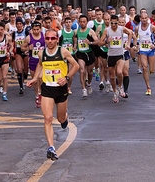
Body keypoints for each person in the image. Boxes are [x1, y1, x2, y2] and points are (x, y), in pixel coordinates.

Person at [26, 29, 79, 161]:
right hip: (47, 89)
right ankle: (51, 147)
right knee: (48, 118)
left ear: (57, 39)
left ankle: (65, 117)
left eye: (52, 39)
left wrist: (66, 77)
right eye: (48, 38)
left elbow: (76, 66)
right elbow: (40, 65)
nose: (50, 41)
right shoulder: (41, 53)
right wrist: (34, 79)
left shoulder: (63, 52)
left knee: (60, 118)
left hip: (61, 89)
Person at [100, 15, 133, 103]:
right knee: (112, 76)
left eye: (115, 23)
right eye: (112, 23)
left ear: (118, 22)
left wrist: (129, 44)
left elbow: (130, 33)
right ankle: (115, 92)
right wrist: (107, 41)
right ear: (110, 22)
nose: (114, 25)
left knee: (119, 72)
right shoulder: (107, 30)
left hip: (120, 54)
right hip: (111, 55)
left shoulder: (122, 29)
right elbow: (100, 42)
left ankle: (120, 87)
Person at [133, 12, 155, 96]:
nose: (144, 20)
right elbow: (135, 37)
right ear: (140, 19)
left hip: (151, 50)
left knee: (152, 70)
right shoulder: (137, 28)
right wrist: (135, 45)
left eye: (145, 18)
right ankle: (148, 87)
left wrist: (154, 44)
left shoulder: (152, 27)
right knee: (144, 67)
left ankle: (150, 70)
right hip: (142, 50)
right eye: (142, 18)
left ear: (147, 18)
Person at [74, 15, 100, 98]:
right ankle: (83, 89)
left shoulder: (90, 31)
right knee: (82, 70)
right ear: (79, 22)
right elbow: (75, 39)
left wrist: (90, 43)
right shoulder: (76, 31)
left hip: (89, 53)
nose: (82, 23)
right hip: (80, 53)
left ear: (86, 22)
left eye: (84, 22)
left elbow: (97, 41)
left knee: (90, 72)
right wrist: (75, 46)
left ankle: (89, 84)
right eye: (81, 22)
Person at [21, 21, 45, 107]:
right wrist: (28, 47)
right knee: (34, 80)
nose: (36, 31)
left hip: (42, 62)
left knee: (40, 78)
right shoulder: (28, 38)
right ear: (32, 29)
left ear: (40, 29)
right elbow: (22, 48)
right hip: (33, 61)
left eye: (37, 29)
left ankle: (41, 94)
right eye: (34, 29)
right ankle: (37, 95)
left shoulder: (44, 36)